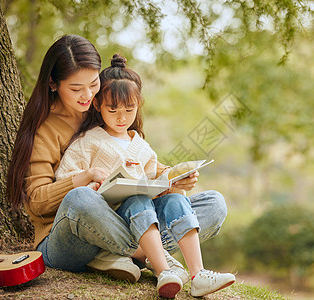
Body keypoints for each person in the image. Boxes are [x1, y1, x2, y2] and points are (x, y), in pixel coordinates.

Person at [6, 34, 229, 294]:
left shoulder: (108, 105)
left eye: (93, 84)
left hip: (127, 215)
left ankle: (124, 254)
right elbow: (35, 204)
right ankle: (151, 257)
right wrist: (81, 179)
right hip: (70, 235)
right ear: (54, 84)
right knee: (81, 198)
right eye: (76, 89)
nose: (87, 95)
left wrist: (172, 178)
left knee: (214, 204)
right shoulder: (45, 129)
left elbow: (135, 160)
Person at [54, 54, 235, 297]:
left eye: (129, 109)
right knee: (129, 201)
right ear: (97, 105)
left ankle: (198, 274)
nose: (121, 117)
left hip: (143, 218)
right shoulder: (88, 141)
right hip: (107, 221)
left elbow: (155, 182)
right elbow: (65, 181)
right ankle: (163, 269)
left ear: (138, 106)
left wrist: (175, 181)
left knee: (181, 201)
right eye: (113, 109)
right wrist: (91, 182)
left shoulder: (141, 146)